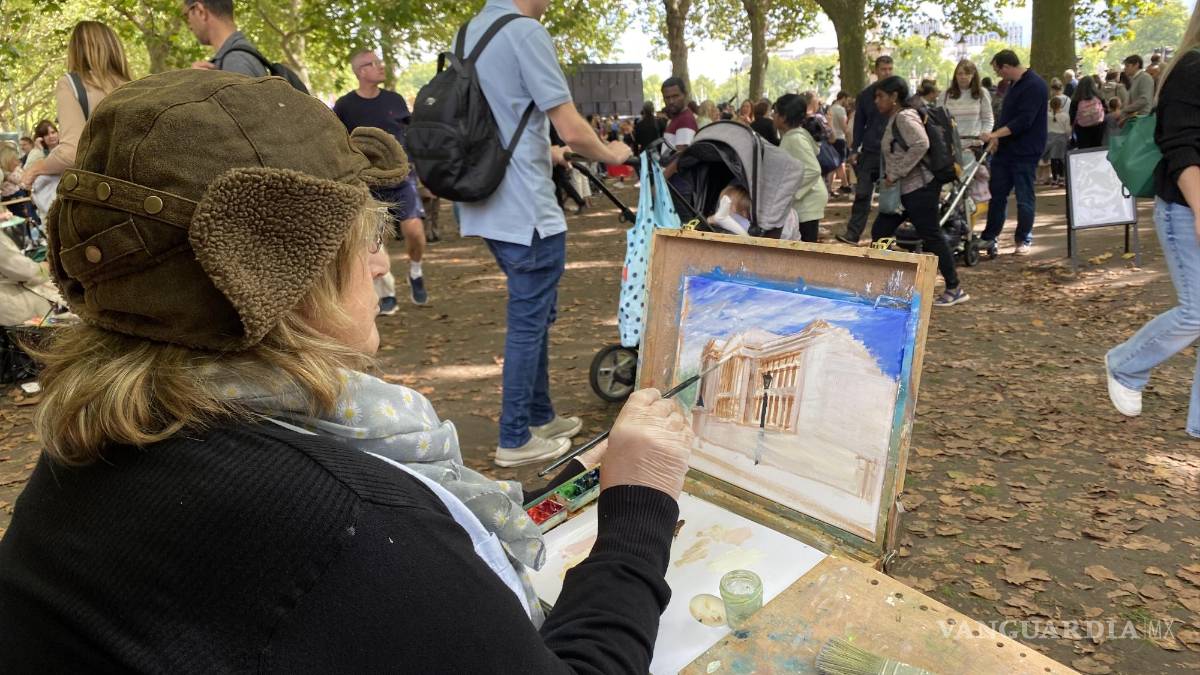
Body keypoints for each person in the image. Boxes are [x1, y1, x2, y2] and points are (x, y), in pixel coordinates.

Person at [0, 69, 695, 671]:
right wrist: (637, 510)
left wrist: (581, 487)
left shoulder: (96, 440)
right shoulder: (339, 520)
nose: (381, 260)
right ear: (269, 278)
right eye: (361, 240)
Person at [455, 0, 631, 467]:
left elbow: (500, 118)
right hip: (526, 209)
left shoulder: (469, 33)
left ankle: (539, 416)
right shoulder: (525, 33)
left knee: (535, 317)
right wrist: (613, 152)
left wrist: (546, 152)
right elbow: (573, 129)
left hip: (484, 201)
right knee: (529, 322)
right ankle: (514, 438)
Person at [1106, 10, 1200, 439]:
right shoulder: (1192, 66)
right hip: (1185, 207)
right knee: (1196, 312)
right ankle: (1126, 365)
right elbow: (1180, 145)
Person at [334, 51, 429, 309]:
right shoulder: (345, 106)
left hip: (402, 179)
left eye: (380, 62)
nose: (380, 66)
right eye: (373, 63)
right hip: (367, 184)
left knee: (415, 232)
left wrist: (423, 171)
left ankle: (416, 273)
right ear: (360, 71)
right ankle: (386, 292)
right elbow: (337, 143)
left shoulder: (394, 100)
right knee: (376, 241)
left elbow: (410, 135)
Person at [869, 76, 968, 306]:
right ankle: (887, 287)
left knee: (931, 236)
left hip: (919, 188)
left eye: (880, 96)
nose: (876, 101)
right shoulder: (898, 116)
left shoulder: (904, 117)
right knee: (881, 232)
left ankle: (954, 287)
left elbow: (921, 143)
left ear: (894, 97)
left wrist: (897, 172)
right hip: (904, 192)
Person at [22, 21, 131, 193]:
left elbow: (72, 153)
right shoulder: (138, 85)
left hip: (100, 194)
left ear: (76, 49)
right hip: (138, 193)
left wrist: (36, 168)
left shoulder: (72, 84)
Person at [979, 49, 1048, 257]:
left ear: (1007, 67)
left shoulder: (1035, 85)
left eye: (998, 70)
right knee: (997, 195)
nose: (998, 75)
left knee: (1024, 197)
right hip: (1006, 151)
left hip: (1026, 151)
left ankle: (1023, 238)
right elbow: (1006, 117)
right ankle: (990, 236)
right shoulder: (1013, 85)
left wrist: (994, 135)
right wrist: (996, 138)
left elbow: (1023, 121)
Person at [841, 54, 895, 245]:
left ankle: (886, 237)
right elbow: (859, 124)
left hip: (893, 152)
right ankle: (853, 233)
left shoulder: (899, 94)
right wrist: (855, 148)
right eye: (883, 69)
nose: (887, 73)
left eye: (890, 69)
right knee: (862, 193)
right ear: (876, 71)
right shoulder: (865, 96)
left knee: (893, 196)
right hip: (871, 150)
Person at [775, 93, 826, 242]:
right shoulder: (793, 136)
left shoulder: (795, 139)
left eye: (775, 112)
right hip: (807, 199)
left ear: (783, 117)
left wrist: (791, 191)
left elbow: (813, 170)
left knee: (806, 245)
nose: (773, 115)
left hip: (808, 201)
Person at [940, 59, 993, 201]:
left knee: (965, 182)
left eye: (966, 74)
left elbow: (988, 118)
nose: (962, 77)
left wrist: (985, 134)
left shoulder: (981, 94)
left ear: (973, 75)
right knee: (949, 183)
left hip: (972, 145)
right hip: (951, 147)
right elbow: (939, 119)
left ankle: (966, 206)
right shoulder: (946, 95)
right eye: (959, 74)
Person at [184, 0, 269, 77]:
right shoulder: (238, 57)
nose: (189, 26)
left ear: (200, 11)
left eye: (187, 16)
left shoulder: (235, 61)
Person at [1069, 75, 1106, 149]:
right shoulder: (1099, 96)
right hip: (1098, 126)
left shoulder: (1076, 99)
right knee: (1097, 148)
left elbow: (1072, 115)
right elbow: (1105, 109)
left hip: (1081, 128)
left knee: (1084, 149)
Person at [828, 90, 853, 194]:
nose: (848, 103)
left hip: (832, 138)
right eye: (847, 100)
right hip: (840, 139)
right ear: (843, 98)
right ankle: (845, 185)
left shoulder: (830, 109)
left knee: (835, 164)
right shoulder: (841, 110)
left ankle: (832, 188)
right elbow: (844, 127)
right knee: (840, 163)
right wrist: (850, 139)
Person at [1044, 97, 1070, 187]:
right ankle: (1062, 178)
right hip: (1061, 138)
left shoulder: (1046, 115)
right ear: (1061, 105)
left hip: (1050, 138)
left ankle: (1054, 178)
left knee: (1053, 159)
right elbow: (1067, 129)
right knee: (1061, 158)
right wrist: (1068, 137)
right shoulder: (1065, 116)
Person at [1122, 55, 1155, 119]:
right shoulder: (1134, 79)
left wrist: (1125, 110)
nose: (1125, 68)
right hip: (1135, 117)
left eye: (1127, 66)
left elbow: (1144, 99)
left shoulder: (1145, 77)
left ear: (1136, 65)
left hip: (1143, 118)